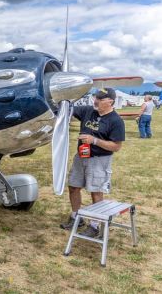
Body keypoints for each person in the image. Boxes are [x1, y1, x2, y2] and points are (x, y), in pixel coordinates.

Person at [60, 88, 125, 238]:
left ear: (110, 102)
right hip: (81, 156)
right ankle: (76, 217)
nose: (95, 101)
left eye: (101, 99)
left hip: (99, 161)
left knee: (96, 192)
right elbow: (66, 108)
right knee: (73, 186)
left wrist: (94, 140)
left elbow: (116, 146)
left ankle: (95, 226)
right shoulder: (88, 111)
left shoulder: (115, 121)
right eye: (95, 97)